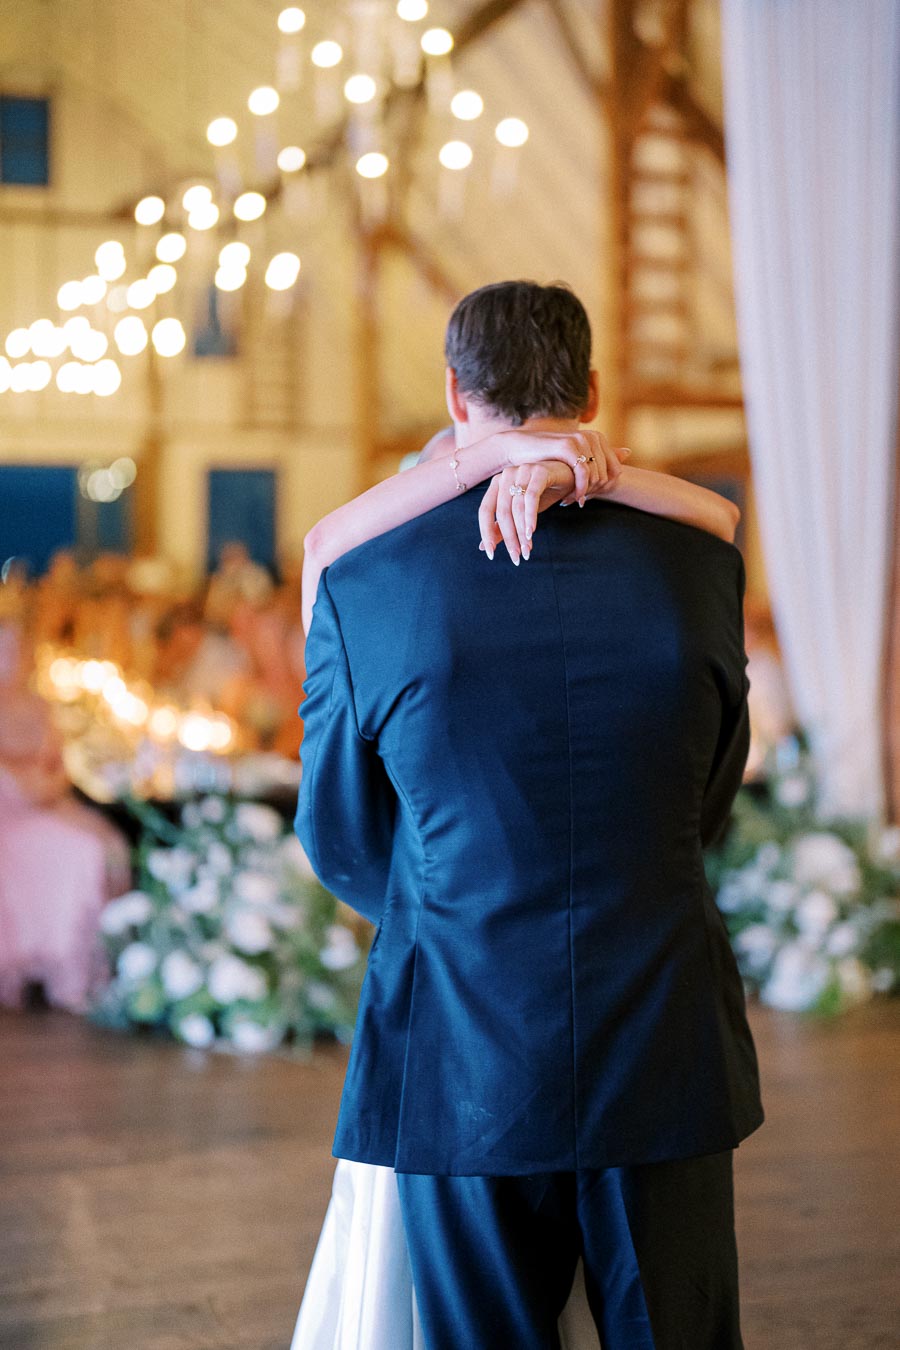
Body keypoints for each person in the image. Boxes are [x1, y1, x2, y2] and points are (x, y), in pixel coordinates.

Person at [294, 280, 763, 1349]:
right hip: (663, 1038)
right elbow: (711, 788)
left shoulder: (369, 579)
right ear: (591, 389)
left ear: (456, 399)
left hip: (462, 1039)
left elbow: (337, 830)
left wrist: (447, 897)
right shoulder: (699, 564)